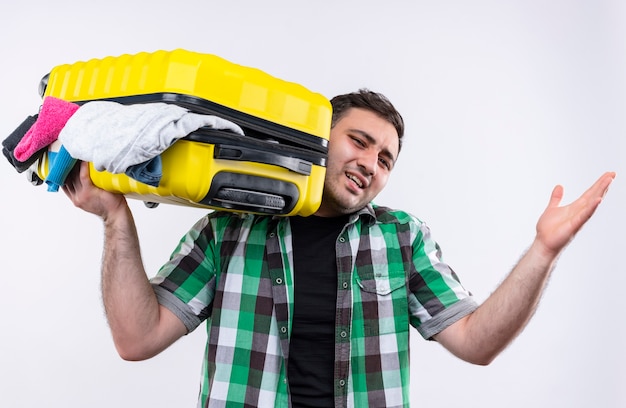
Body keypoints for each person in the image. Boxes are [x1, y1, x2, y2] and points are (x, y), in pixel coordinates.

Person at [63, 89, 615, 407]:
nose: (370, 164)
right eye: (360, 141)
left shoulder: (403, 238)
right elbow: (136, 339)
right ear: (318, 137)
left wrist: (543, 250)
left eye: (386, 159)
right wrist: (115, 218)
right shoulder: (229, 229)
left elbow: (475, 343)